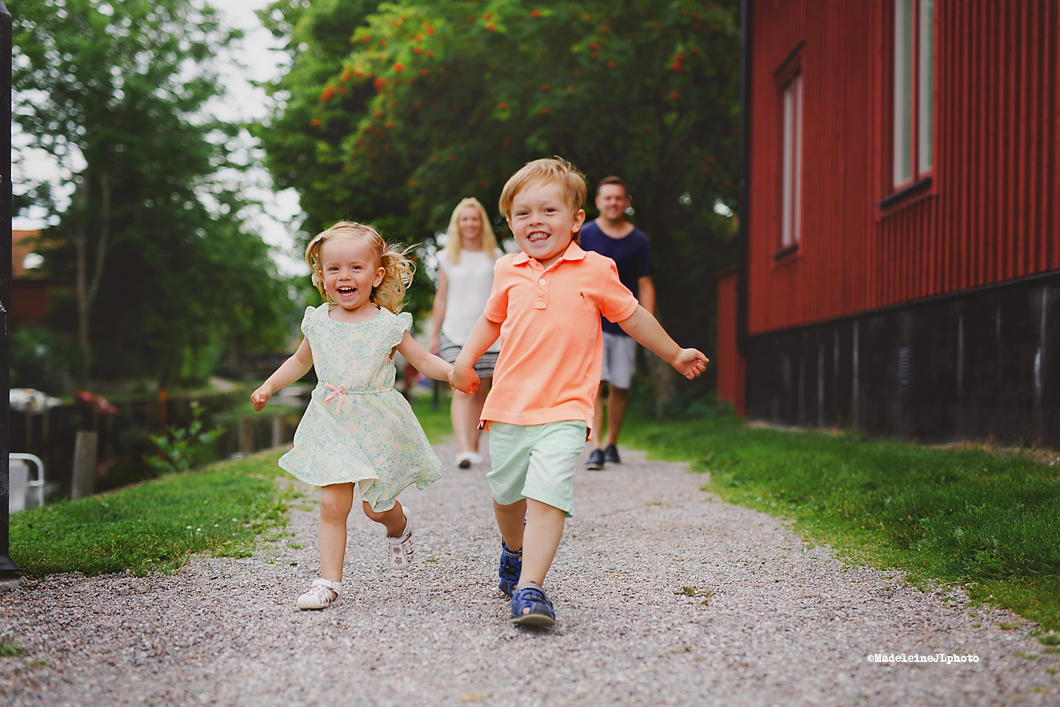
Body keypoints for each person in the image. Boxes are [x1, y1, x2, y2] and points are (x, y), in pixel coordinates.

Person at [449, 158, 708, 627]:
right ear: (509, 224)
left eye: (548, 211)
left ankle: (530, 588)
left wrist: (673, 353)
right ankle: (512, 549)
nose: (535, 222)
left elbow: (632, 316)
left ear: (575, 220)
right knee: (507, 495)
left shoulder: (595, 269)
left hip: (567, 407)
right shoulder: (507, 269)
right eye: (522, 214)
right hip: (509, 405)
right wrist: (465, 361)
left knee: (549, 493)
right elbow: (490, 320)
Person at [251, 221, 453, 611]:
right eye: (334, 269)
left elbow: (424, 359)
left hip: (376, 422)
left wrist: (451, 373)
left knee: (375, 508)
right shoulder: (318, 321)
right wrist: (269, 386)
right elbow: (298, 361)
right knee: (332, 504)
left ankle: (399, 525)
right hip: (331, 421)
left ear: (376, 275)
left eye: (355, 268)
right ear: (322, 277)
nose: (344, 276)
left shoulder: (387, 325)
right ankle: (329, 581)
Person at [579, 176, 654, 471]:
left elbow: (645, 283)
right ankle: (595, 446)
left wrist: (647, 322)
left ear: (626, 203)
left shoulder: (639, 241)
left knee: (620, 386)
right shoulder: (584, 234)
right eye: (607, 198)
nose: (613, 203)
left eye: (618, 198)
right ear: (598, 202)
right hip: (591, 323)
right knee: (596, 385)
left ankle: (611, 442)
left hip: (624, 323)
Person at [429, 198, 501, 469]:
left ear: (481, 222)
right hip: (455, 331)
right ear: (457, 224)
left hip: (488, 332)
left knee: (481, 391)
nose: (470, 224)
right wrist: (434, 334)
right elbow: (441, 298)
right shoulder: (446, 257)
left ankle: (474, 447)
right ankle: (464, 450)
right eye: (465, 219)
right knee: (461, 389)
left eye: (475, 218)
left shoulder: (495, 256)